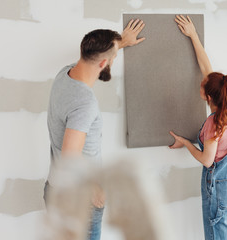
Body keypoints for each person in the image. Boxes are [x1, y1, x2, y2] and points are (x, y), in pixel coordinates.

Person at [44, 19, 146, 240]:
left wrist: (119, 43)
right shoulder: (84, 103)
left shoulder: (65, 74)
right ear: (103, 64)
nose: (113, 62)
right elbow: (70, 156)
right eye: (113, 59)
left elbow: (96, 56)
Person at [169, 15, 227, 240]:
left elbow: (206, 159)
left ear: (208, 96)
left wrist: (185, 142)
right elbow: (206, 68)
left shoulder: (215, 122)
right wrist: (193, 35)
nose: (200, 85)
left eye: (203, 86)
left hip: (221, 194)